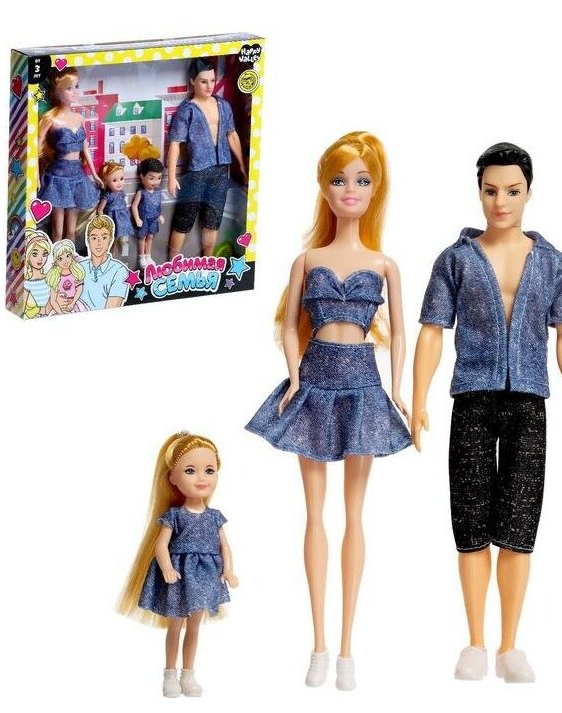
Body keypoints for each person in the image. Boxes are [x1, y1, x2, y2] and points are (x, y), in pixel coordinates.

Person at [412, 142, 562, 683]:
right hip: (472, 397)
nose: (501, 202)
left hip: (529, 400)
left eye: (512, 191)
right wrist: (418, 399)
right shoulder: (456, 259)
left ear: (529, 191)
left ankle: (510, 646)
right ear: (479, 192)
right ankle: (475, 642)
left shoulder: (553, 263)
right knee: (469, 520)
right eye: (491, 191)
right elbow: (432, 332)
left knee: (518, 523)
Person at [246, 132, 411, 690]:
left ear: (375, 189)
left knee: (354, 516)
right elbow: (290, 324)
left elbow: (402, 335)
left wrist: (399, 389)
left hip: (363, 384)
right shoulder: (307, 260)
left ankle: (347, 648)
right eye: (339, 180)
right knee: (314, 514)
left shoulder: (384, 264)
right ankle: (318, 644)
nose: (350, 190)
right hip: (314, 383)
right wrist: (294, 376)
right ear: (324, 188)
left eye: (361, 180)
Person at [118, 432, 238, 697]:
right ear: (173, 478)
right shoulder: (174, 515)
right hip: (179, 577)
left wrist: (228, 570)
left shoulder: (215, 517)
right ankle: (170, 674)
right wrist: (168, 569)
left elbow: (225, 547)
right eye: (190, 470)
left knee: (194, 626)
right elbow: (161, 546)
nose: (201, 478)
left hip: (205, 578)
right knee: (175, 625)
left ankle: (189, 674)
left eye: (209, 470)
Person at [167, 57, 247, 259]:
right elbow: (175, 142)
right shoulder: (188, 109)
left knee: (213, 220)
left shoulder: (223, 105)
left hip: (221, 169)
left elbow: (232, 134)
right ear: (192, 81)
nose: (209, 85)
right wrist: (171, 177)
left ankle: (208, 262)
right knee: (184, 219)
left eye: (212, 80)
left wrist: (242, 166)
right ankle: (171, 263)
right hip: (197, 171)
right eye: (203, 81)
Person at [37, 67, 103, 241]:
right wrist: (35, 176)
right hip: (58, 176)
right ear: (57, 91)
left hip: (77, 176)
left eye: (76, 86)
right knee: (57, 231)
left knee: (71, 231)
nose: (75, 92)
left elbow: (85, 147)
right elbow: (37, 148)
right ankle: (55, 256)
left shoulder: (79, 118)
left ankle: (69, 257)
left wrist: (95, 174)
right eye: (69, 88)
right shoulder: (50, 119)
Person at [80, 215, 130, 310]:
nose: (99, 243)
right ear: (88, 241)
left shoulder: (119, 271)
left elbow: (111, 309)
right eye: (94, 238)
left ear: (110, 240)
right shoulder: (79, 267)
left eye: (104, 238)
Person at [131, 158, 164, 268]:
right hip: (144, 219)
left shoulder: (158, 192)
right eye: (151, 178)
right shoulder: (141, 192)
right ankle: (141, 257)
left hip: (154, 219)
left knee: (150, 237)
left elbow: (158, 205)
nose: (155, 182)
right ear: (142, 176)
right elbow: (134, 206)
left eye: (159, 178)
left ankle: (148, 256)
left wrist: (160, 215)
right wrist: (137, 218)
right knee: (142, 238)